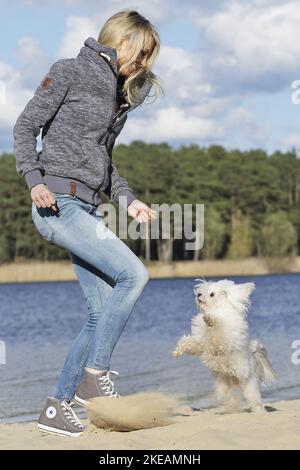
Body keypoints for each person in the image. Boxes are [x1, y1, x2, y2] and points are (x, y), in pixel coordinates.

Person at [13, 9, 164, 438]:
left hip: (89, 208)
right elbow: (26, 128)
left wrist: (128, 199)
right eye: (143, 52)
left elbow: (106, 162)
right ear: (123, 41)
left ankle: (57, 406)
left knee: (100, 316)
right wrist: (33, 179)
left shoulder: (120, 98)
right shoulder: (70, 72)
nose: (145, 63)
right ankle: (95, 374)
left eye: (151, 57)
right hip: (56, 203)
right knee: (135, 274)